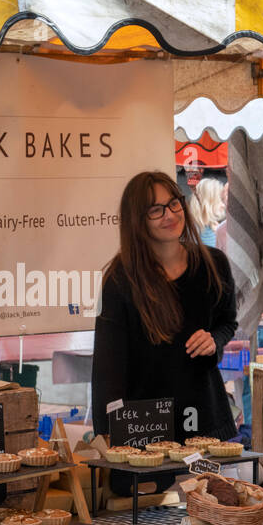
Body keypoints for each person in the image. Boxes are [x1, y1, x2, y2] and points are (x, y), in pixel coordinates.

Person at [92, 171, 238, 491]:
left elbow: (228, 322)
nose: (170, 215)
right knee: (153, 517)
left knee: (210, 501)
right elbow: (108, 367)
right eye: (155, 210)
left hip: (203, 422)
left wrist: (215, 340)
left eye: (173, 203)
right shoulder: (120, 280)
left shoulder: (213, 264)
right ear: (137, 221)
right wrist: (106, 435)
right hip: (146, 433)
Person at [187, 176, 227, 248]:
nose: (223, 205)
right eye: (220, 199)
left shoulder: (214, 226)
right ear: (207, 203)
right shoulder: (193, 230)